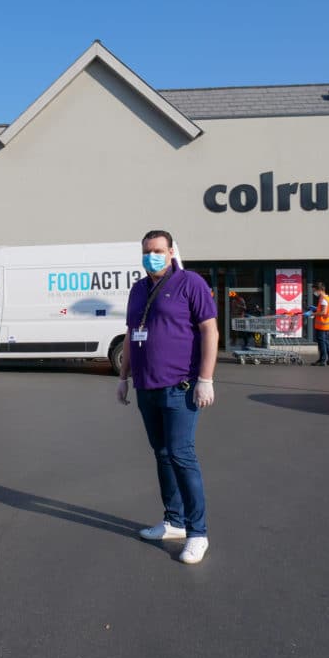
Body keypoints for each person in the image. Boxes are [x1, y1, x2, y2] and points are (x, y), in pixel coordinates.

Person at [116, 230, 218, 565]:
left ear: (171, 251)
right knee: (162, 454)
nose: (152, 256)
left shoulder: (190, 283)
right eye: (147, 251)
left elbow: (209, 329)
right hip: (147, 387)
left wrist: (205, 378)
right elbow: (132, 334)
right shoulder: (138, 289)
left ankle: (197, 532)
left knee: (181, 454)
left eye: (158, 250)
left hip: (181, 386)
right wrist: (123, 378)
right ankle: (173, 521)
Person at [304, 281, 329, 366]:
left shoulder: (323, 299)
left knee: (322, 342)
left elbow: (323, 312)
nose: (314, 293)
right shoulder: (328, 298)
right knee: (326, 341)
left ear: (320, 290)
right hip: (327, 324)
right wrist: (315, 308)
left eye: (315, 290)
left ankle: (322, 360)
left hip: (323, 325)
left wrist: (311, 313)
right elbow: (323, 310)